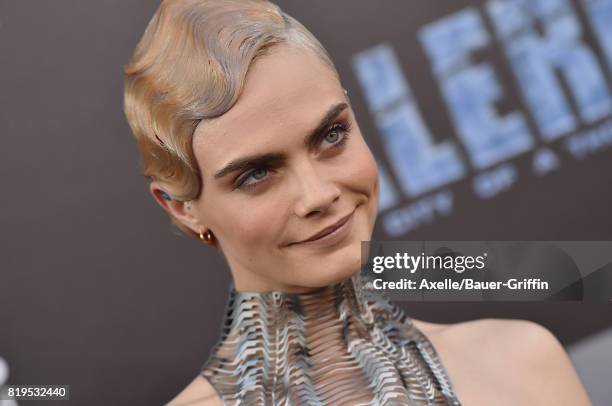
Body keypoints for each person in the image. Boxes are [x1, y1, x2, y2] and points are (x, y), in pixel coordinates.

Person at [122, 1, 592, 405]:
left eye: (331, 135)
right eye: (257, 174)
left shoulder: (522, 363)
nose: (319, 194)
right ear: (182, 206)